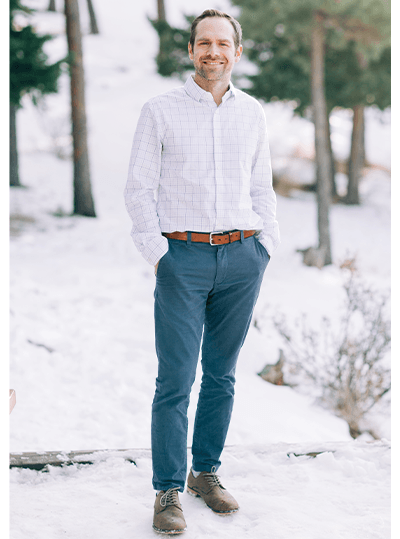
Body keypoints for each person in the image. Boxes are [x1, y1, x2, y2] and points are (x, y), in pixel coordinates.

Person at [124, 8, 280, 535]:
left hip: (242, 258)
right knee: (174, 379)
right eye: (203, 43)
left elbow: (262, 187)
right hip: (182, 259)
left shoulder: (252, 113)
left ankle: (205, 473)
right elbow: (139, 187)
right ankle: (167, 488)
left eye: (223, 43)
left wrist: (266, 244)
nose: (213, 51)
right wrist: (157, 253)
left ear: (237, 51)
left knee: (222, 375)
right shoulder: (160, 110)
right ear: (191, 50)